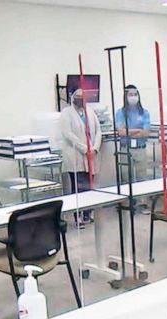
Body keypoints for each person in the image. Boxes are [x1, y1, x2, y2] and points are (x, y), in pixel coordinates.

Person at [59, 88, 101, 226]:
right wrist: (84, 149)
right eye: (77, 96)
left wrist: (94, 148)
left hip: (91, 155)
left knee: (89, 186)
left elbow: (98, 131)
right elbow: (68, 134)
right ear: (72, 97)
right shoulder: (66, 113)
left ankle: (88, 213)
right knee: (78, 187)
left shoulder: (90, 111)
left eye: (82, 97)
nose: (80, 99)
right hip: (75, 156)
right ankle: (78, 217)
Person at [114, 85, 151, 182]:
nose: (133, 97)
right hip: (126, 149)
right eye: (131, 94)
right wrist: (138, 130)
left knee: (142, 179)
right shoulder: (120, 113)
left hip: (140, 149)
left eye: (135, 94)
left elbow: (146, 133)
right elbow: (121, 132)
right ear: (126, 96)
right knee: (126, 180)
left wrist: (128, 131)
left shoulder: (144, 112)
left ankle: (142, 198)